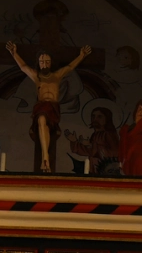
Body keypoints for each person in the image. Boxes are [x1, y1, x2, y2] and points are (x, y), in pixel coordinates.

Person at [6, 40, 92, 173]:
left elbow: (70, 67)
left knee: (45, 125)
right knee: (41, 120)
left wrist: (81, 56)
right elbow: (23, 66)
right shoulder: (37, 76)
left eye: (47, 61)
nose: (44, 64)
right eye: (42, 62)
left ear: (51, 63)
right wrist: (14, 53)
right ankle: (45, 157)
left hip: (53, 107)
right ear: (38, 63)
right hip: (41, 106)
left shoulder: (56, 76)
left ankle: (45, 156)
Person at [65, 106, 119, 174]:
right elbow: (89, 151)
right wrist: (74, 141)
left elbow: (114, 153)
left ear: (107, 119)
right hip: (93, 170)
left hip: (106, 171)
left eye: (99, 116)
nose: (95, 119)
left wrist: (91, 145)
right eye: (93, 116)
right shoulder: (95, 135)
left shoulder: (109, 134)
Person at [119, 100, 142, 177]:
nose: (141, 113)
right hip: (128, 160)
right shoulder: (126, 129)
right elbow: (123, 144)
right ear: (136, 110)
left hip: (139, 159)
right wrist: (122, 160)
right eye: (140, 109)